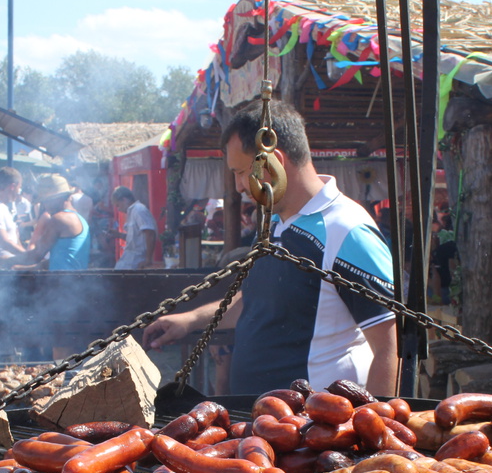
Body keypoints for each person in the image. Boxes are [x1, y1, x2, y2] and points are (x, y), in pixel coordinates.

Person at [143, 100, 398, 396]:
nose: (238, 186)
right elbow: (257, 298)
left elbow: (389, 349)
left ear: (274, 160)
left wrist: (376, 432)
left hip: (312, 430)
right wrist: (189, 321)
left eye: (240, 172)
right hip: (260, 421)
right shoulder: (274, 222)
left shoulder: (347, 231)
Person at [11, 174, 90, 271]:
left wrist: (7, 261)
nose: (44, 205)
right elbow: (61, 259)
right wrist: (25, 268)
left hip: (61, 284)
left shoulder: (59, 219)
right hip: (75, 282)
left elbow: (36, 255)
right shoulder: (79, 218)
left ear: (58, 198)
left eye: (46, 201)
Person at [0, 167, 29, 267]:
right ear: (12, 186)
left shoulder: (5, 209)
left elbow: (15, 241)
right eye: (19, 187)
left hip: (10, 267)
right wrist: (29, 257)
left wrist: (26, 257)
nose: (19, 192)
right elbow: (4, 242)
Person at [113, 186, 157, 270]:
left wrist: (148, 260)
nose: (118, 209)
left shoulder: (139, 210)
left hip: (137, 261)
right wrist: (119, 235)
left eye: (118, 205)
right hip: (128, 260)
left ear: (124, 200)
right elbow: (137, 239)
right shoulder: (131, 212)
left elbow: (150, 233)